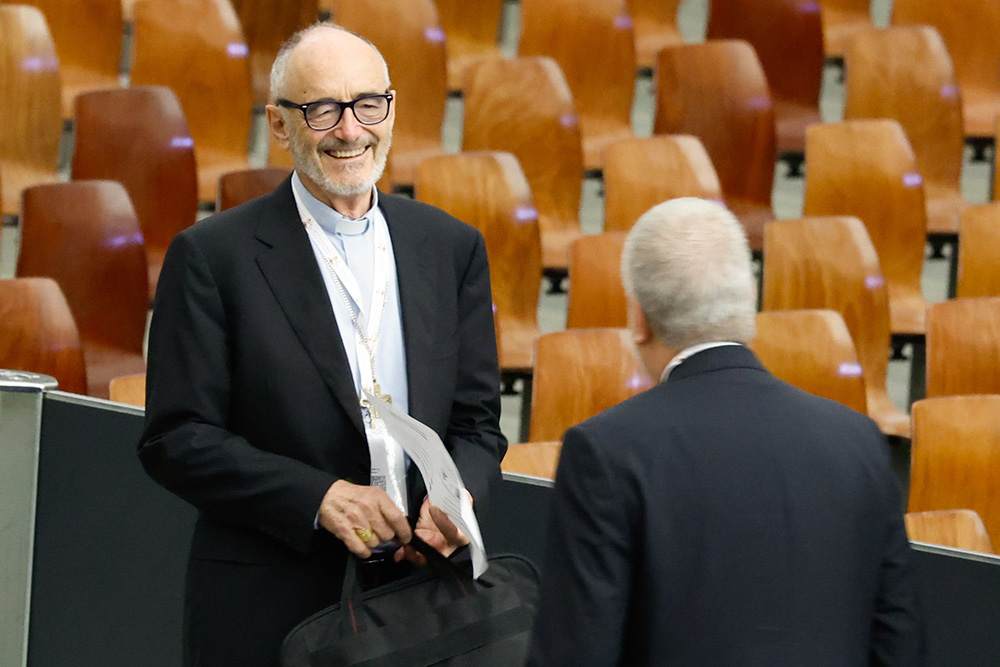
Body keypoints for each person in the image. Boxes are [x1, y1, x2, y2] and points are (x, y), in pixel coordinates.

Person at [138, 23, 506, 667]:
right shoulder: (212, 257)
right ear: (280, 126)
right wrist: (319, 497)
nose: (350, 130)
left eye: (368, 104)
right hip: (269, 599)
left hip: (422, 595)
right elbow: (177, 439)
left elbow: (478, 426)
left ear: (390, 106)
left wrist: (456, 501)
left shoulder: (450, 247)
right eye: (322, 110)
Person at [526, 198, 924, 666]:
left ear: (639, 320)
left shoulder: (606, 452)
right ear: (745, 303)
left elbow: (577, 652)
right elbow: (900, 642)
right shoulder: (856, 441)